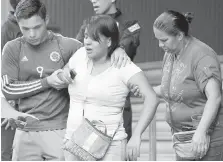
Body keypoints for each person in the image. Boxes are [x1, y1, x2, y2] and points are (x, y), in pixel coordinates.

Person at [1, 0, 129, 160]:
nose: (31, 34)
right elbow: (8, 89)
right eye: (25, 29)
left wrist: (118, 49)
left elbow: (98, 48)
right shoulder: (12, 49)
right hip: (25, 133)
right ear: (18, 23)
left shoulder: (68, 46)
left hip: (60, 131)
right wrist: (47, 82)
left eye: (37, 27)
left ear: (46, 20)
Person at [57, 15, 158, 161]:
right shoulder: (80, 55)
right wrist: (64, 73)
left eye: (94, 38)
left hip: (110, 148)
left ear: (109, 41)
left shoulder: (123, 65)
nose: (87, 43)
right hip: (74, 143)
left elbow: (152, 98)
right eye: (86, 37)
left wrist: (136, 135)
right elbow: (66, 69)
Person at [152, 10, 223, 160]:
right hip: (182, 138)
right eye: (157, 40)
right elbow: (173, 89)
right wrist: (147, 91)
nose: (159, 45)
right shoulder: (170, 54)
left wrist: (201, 132)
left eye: (164, 40)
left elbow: (215, 96)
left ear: (179, 35)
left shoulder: (201, 55)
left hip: (205, 137)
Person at [76, 0, 141, 141]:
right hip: (89, 99)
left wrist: (120, 48)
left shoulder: (129, 23)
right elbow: (78, 51)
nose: (93, 1)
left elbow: (129, 45)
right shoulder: (88, 23)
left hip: (118, 101)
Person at [1, 0, 22, 160]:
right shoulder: (7, 30)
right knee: (7, 151)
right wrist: (9, 105)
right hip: (11, 99)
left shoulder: (32, 27)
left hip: (31, 100)